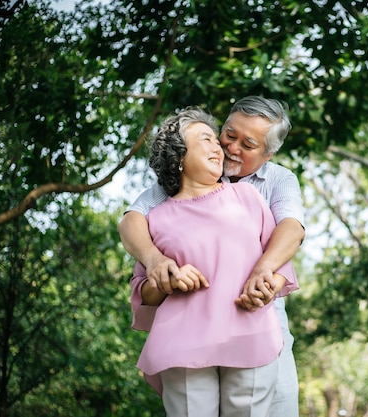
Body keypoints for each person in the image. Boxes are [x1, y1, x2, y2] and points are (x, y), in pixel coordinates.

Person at [118, 96, 306, 416]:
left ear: (268, 153)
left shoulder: (271, 183)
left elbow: (291, 228)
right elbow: (132, 219)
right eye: (229, 135)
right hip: (190, 332)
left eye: (247, 144)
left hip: (257, 320)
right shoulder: (175, 188)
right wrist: (156, 262)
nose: (231, 148)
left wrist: (266, 273)